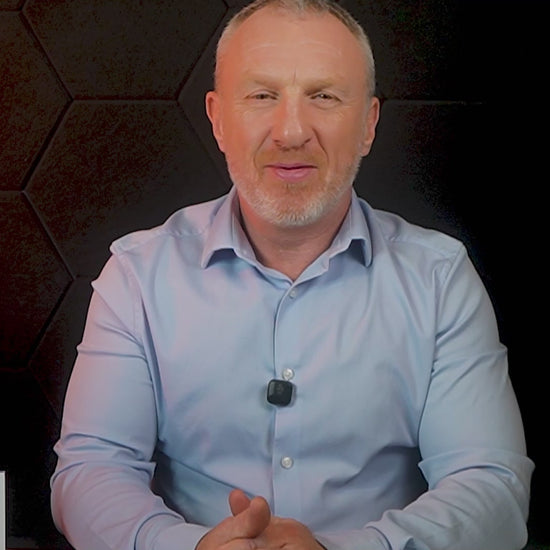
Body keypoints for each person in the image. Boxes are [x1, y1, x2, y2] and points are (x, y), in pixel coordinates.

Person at [50, 1, 534, 549]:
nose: (292, 131)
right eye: (262, 96)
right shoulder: (137, 276)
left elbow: (490, 487)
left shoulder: (440, 280)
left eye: (324, 96)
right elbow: (91, 471)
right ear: (217, 119)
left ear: (369, 124)